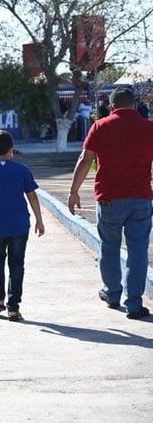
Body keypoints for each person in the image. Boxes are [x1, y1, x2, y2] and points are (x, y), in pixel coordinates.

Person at [68, 87, 153, 319]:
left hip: (109, 199)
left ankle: (113, 294)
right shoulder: (149, 128)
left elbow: (85, 159)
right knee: (138, 250)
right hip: (141, 198)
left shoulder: (101, 126)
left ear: (111, 106)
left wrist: (74, 191)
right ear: (134, 105)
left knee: (109, 246)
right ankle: (135, 304)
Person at [0, 129, 45, 322]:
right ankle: (13, 307)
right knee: (17, 264)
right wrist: (39, 219)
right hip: (20, 226)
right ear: (12, 150)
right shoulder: (22, 170)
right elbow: (32, 195)